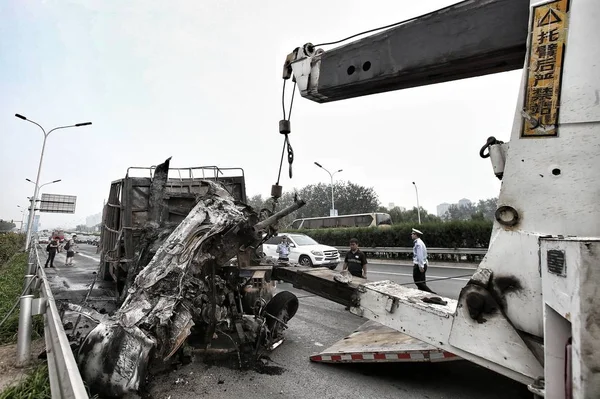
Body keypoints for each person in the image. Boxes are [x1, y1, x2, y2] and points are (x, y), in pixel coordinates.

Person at [411, 228, 436, 293]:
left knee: (418, 281)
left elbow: (420, 255)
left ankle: (431, 293)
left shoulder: (418, 244)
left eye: (412, 234)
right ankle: (423, 294)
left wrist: (420, 266)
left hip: (419, 265)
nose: (411, 235)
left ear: (416, 235)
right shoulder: (420, 242)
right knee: (422, 282)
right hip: (423, 264)